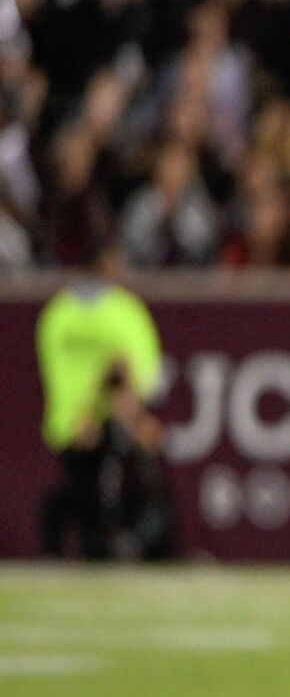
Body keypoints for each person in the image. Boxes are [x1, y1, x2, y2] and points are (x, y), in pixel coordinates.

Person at [37, 240, 176, 560]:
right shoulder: (122, 310)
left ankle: (65, 548)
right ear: (104, 265)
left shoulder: (57, 312)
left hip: (77, 421)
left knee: (89, 496)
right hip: (101, 420)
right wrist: (134, 418)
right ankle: (60, 544)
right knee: (93, 496)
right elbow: (134, 372)